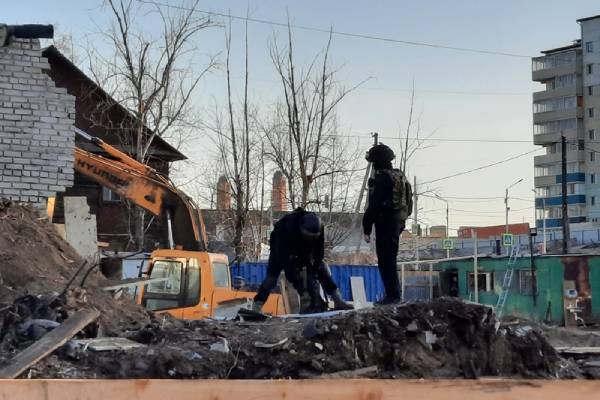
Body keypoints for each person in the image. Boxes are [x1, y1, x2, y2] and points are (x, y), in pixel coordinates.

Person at [252, 208, 352, 313]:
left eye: (314, 237)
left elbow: (319, 254)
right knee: (271, 277)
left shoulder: (319, 228)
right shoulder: (285, 229)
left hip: (304, 248)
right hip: (280, 249)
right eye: (309, 236)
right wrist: (300, 287)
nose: (311, 238)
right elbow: (287, 266)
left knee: (322, 268)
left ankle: (338, 300)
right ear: (302, 229)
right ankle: (257, 306)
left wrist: (313, 273)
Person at [362, 143, 412, 305]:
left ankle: (393, 296)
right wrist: (401, 219)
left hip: (385, 222)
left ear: (377, 161)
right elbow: (409, 202)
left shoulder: (382, 178)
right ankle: (393, 294)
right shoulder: (400, 176)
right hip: (399, 221)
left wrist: (366, 227)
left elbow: (374, 205)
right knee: (390, 257)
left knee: (386, 260)